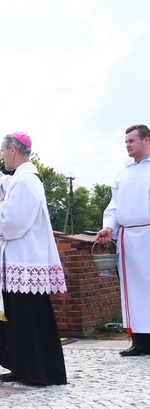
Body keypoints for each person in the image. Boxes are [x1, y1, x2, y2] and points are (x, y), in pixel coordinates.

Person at [0, 132, 67, 386]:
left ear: (13, 150)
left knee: (29, 319)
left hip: (25, 261)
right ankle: (21, 366)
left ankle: (37, 371)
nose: (2, 157)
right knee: (17, 318)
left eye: (3, 151)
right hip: (17, 262)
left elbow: (13, 222)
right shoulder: (19, 179)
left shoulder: (26, 182)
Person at [96, 124, 150, 357]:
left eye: (132, 140)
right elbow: (114, 205)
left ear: (146, 140)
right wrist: (108, 227)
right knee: (133, 291)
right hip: (128, 237)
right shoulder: (123, 172)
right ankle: (140, 341)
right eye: (126, 141)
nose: (127, 144)